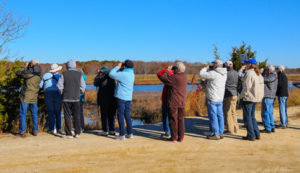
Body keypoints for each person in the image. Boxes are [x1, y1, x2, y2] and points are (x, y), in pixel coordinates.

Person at [159, 62, 187, 142]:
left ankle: (174, 137)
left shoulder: (174, 77)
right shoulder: (184, 77)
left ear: (177, 69)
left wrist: (167, 70)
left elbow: (163, 78)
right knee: (181, 120)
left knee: (173, 120)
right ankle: (181, 137)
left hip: (174, 102)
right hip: (182, 101)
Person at [57, 60, 86, 138]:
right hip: (76, 98)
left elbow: (59, 86)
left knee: (67, 116)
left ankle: (68, 133)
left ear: (67, 66)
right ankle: (77, 132)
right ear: (75, 65)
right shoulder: (79, 74)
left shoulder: (63, 74)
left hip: (66, 98)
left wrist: (63, 93)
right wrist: (79, 93)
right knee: (77, 115)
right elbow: (83, 86)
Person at [199, 59, 227, 140]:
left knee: (213, 116)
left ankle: (215, 133)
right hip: (220, 97)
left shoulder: (213, 73)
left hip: (213, 97)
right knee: (220, 116)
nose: (212, 65)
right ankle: (221, 132)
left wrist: (205, 68)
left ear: (216, 65)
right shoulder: (224, 73)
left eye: (213, 64)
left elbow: (201, 74)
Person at [109, 60, 135, 140]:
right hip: (128, 97)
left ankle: (122, 134)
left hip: (121, 97)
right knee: (127, 115)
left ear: (125, 66)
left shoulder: (123, 74)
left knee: (120, 115)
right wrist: (122, 68)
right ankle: (130, 133)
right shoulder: (132, 74)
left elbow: (111, 74)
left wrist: (117, 66)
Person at [239, 58, 264, 141]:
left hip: (248, 98)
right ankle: (257, 134)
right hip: (255, 98)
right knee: (252, 117)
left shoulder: (249, 73)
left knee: (247, 117)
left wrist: (241, 96)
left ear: (250, 64)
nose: (245, 65)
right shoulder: (258, 74)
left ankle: (251, 135)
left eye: (246, 63)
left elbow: (246, 87)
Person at [16, 59, 42, 137]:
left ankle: (22, 131)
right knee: (34, 114)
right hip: (34, 96)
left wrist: (25, 66)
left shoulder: (28, 74)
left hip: (26, 96)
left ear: (31, 64)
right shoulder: (40, 75)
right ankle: (35, 130)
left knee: (23, 113)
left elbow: (18, 73)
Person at [39, 63, 63, 135]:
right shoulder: (59, 76)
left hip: (47, 94)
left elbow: (40, 85)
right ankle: (59, 129)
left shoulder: (45, 75)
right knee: (58, 112)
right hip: (57, 93)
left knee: (51, 112)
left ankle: (52, 129)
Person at [94, 66, 116, 136]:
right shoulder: (113, 78)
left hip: (103, 100)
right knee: (112, 115)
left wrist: (98, 74)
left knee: (104, 115)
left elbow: (95, 83)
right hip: (113, 99)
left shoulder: (102, 78)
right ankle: (112, 130)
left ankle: (105, 130)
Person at [157, 68, 174, 139]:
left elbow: (159, 74)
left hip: (166, 99)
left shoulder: (169, 76)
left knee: (166, 116)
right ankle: (171, 131)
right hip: (173, 99)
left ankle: (167, 132)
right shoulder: (175, 75)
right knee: (171, 116)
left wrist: (166, 70)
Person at [223, 61, 239, 134]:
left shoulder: (226, 73)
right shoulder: (236, 72)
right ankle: (236, 128)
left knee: (227, 112)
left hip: (228, 94)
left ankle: (230, 129)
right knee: (233, 112)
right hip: (235, 93)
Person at [261, 65, 278, 133]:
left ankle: (268, 128)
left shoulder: (271, 76)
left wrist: (260, 74)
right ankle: (272, 126)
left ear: (269, 70)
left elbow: (264, 79)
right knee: (270, 112)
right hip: (271, 96)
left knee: (265, 113)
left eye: (266, 70)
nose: (265, 71)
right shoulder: (274, 75)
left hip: (267, 96)